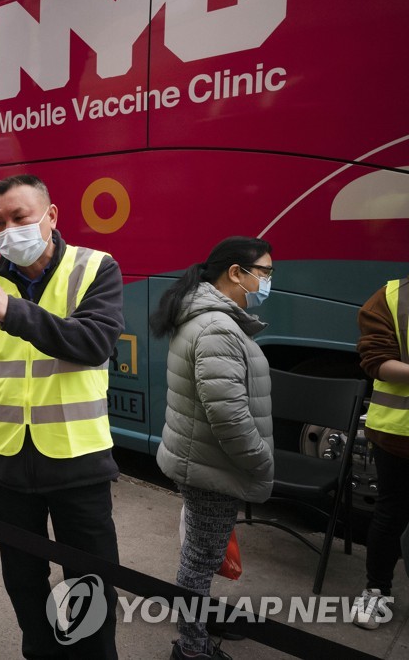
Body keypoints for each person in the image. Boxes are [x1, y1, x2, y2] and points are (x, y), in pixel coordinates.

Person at [0, 174, 124, 659]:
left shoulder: (96, 269)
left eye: (19, 218)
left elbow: (92, 343)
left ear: (51, 215)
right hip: (7, 466)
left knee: (91, 583)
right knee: (23, 579)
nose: (8, 232)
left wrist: (13, 310)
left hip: (77, 463)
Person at [150, 236, 275, 660]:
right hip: (211, 466)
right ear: (236, 273)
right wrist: (261, 461)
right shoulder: (217, 328)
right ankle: (192, 648)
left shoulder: (206, 317)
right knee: (201, 558)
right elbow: (229, 418)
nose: (269, 281)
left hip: (201, 459)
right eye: (265, 272)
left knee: (200, 551)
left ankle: (198, 621)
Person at [349, 274, 409, 630]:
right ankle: (377, 591)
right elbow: (375, 360)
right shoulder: (391, 296)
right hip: (398, 435)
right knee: (391, 513)